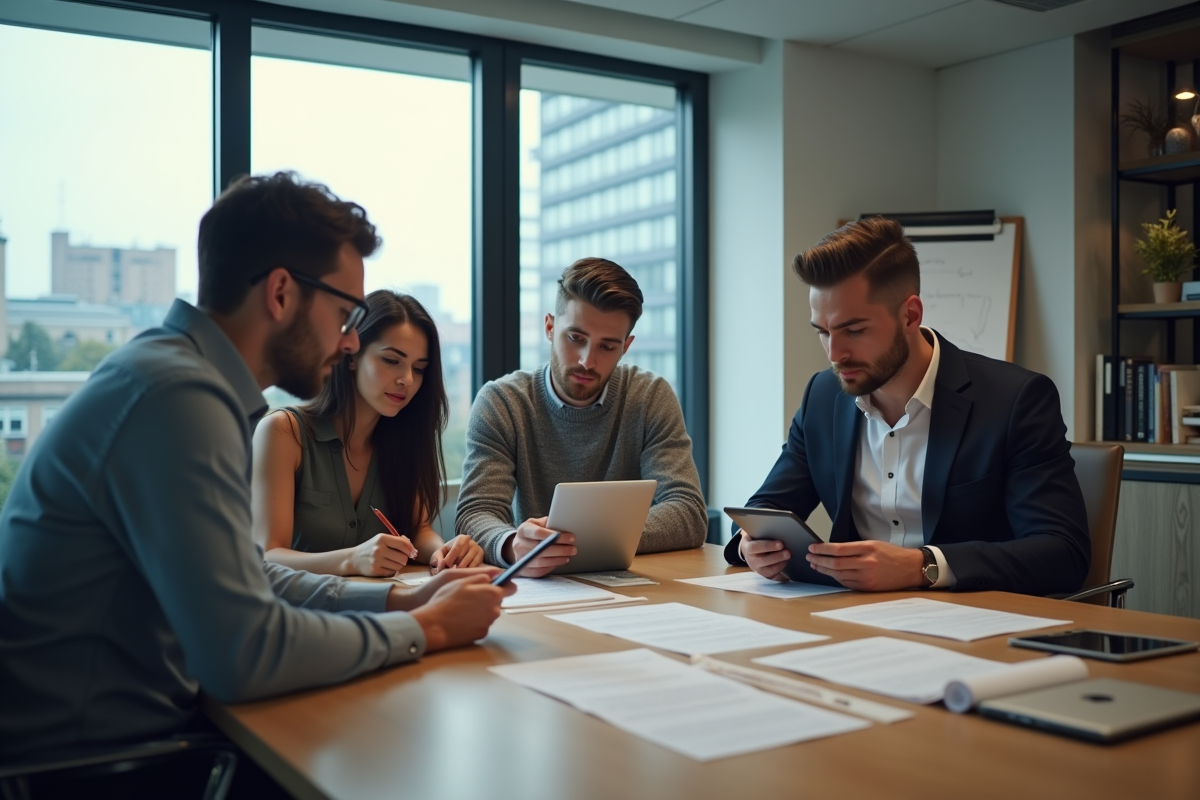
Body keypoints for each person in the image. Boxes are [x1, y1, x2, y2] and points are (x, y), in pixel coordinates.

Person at [0, 172, 513, 764]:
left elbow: (250, 576)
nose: (350, 344)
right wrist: (430, 631)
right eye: (346, 315)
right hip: (95, 764)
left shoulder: (170, 374)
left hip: (131, 738)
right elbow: (243, 652)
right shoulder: (180, 399)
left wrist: (398, 604)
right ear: (279, 294)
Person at [726, 217, 1090, 596]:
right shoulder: (823, 396)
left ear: (910, 316)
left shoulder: (1015, 401)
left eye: (854, 330)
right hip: (852, 621)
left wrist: (923, 566)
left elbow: (1063, 553)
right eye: (823, 331)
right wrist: (750, 545)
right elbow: (766, 508)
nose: (835, 354)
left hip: (973, 624)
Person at [456, 257, 707, 577]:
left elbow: (687, 513)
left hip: (631, 585)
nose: (588, 361)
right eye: (576, 338)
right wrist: (511, 545)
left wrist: (572, 541)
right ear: (549, 327)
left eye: (607, 346)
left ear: (626, 347)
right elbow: (476, 512)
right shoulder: (502, 403)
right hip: (540, 589)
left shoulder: (650, 397)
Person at [252, 290, 483, 577]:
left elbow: (418, 531)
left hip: (383, 608)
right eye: (391, 360)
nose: (407, 380)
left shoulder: (405, 438)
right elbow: (267, 557)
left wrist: (442, 551)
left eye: (419, 368)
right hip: (302, 615)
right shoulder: (283, 433)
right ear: (351, 355)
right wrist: (352, 559)